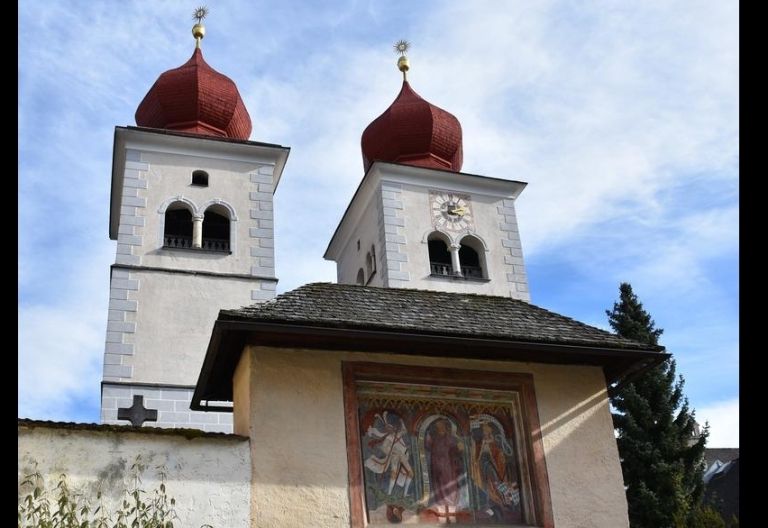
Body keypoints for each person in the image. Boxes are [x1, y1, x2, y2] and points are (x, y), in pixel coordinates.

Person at [470, 422, 520, 514]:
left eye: (487, 432)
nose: (486, 434)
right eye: (484, 432)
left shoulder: (493, 444)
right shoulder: (480, 443)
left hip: (493, 467)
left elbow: (499, 456)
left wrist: (498, 455)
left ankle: (502, 502)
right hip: (484, 467)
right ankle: (493, 503)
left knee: (496, 483)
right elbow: (476, 457)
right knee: (490, 484)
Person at [364, 412, 414, 496]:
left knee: (411, 473)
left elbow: (404, 431)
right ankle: (389, 493)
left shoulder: (398, 434)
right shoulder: (388, 437)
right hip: (394, 456)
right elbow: (384, 447)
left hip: (402, 456)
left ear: (393, 428)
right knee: (394, 474)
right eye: (388, 428)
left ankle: (405, 493)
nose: (390, 429)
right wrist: (391, 451)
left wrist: (402, 422)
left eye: (391, 427)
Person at [425, 418, 464, 508]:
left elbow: (457, 449)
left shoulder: (450, 438)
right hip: (436, 464)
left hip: (448, 464)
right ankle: (441, 502)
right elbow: (428, 446)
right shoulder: (435, 438)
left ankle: (452, 501)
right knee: (438, 483)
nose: (440, 428)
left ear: (445, 426)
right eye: (438, 426)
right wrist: (427, 435)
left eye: (441, 426)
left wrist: (459, 447)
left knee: (449, 481)